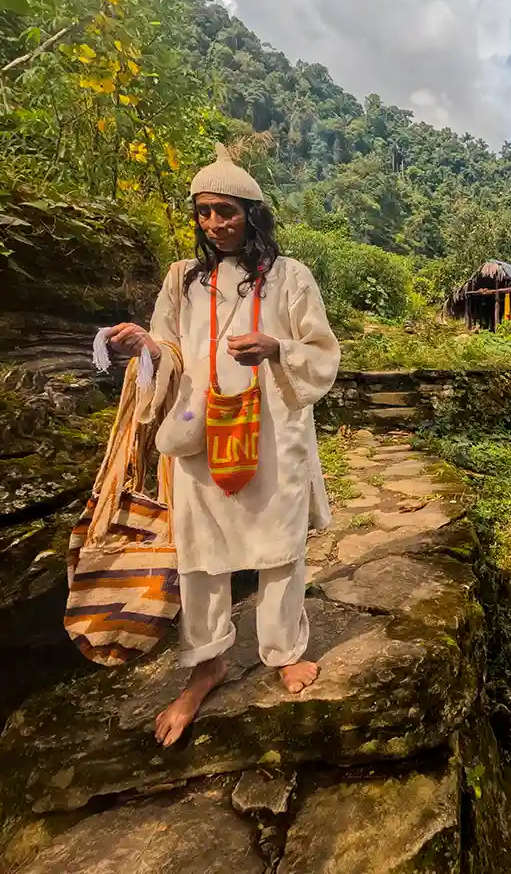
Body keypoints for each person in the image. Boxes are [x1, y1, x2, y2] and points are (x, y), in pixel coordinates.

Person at [106, 144, 340, 747]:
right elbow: (171, 346)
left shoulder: (290, 276)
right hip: (200, 426)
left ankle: (284, 650)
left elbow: (321, 352)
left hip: (273, 428)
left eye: (227, 212)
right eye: (205, 213)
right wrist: (147, 348)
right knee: (201, 550)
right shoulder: (181, 279)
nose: (215, 224)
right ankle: (207, 663)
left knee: (279, 543)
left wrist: (276, 348)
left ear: (252, 214)